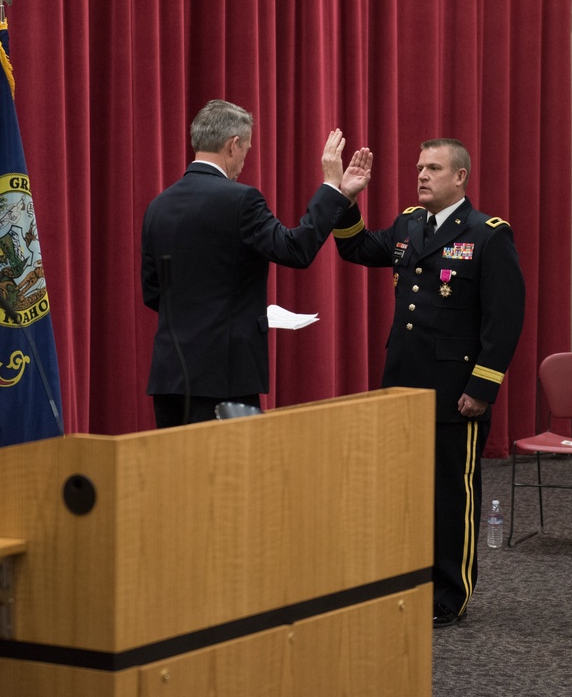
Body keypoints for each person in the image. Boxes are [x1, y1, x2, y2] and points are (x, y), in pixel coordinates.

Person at [333, 138, 525, 628]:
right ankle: (407, 580)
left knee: (450, 493)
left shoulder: (488, 235)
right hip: (403, 382)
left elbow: (503, 322)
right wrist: (345, 195)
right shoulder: (409, 224)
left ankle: (449, 592)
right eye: (419, 167)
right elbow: (355, 246)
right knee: (405, 490)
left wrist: (482, 388)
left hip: (454, 390)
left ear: (460, 177)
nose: (421, 175)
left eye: (433, 168)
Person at [141, 99, 366, 428]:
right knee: (234, 475)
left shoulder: (157, 206)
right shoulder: (240, 199)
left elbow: (152, 292)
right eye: (246, 148)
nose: (244, 160)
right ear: (233, 145)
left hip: (169, 377)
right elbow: (296, 250)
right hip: (227, 377)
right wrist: (333, 189)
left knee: (178, 476)